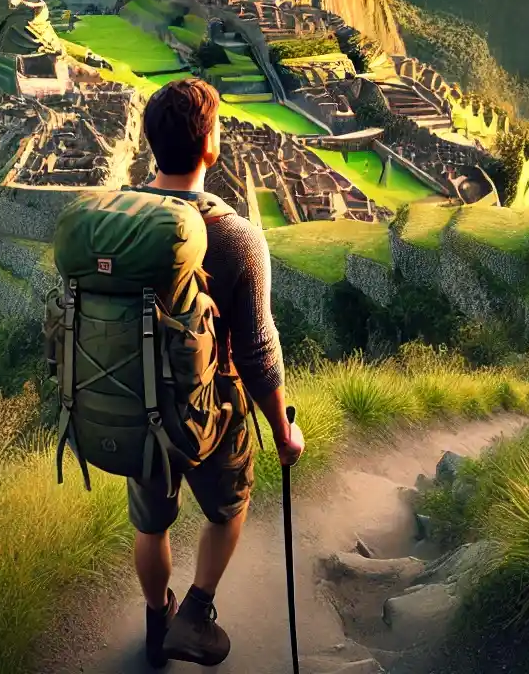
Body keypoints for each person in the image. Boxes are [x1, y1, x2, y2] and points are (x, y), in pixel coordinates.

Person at [134, 78, 305, 667]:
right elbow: (257, 352)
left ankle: (157, 622)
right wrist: (283, 431)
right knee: (228, 510)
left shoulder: (124, 222)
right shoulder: (236, 237)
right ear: (209, 146)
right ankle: (196, 609)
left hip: (140, 403)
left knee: (151, 526)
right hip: (214, 410)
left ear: (152, 143)